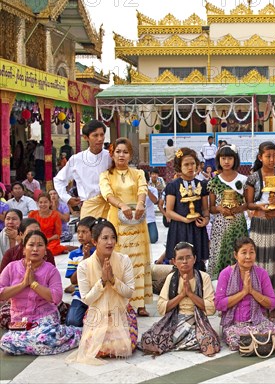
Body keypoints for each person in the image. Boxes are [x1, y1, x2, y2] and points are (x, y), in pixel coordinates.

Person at [66, 220, 137, 364]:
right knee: (95, 348)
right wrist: (103, 282)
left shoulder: (124, 260)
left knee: (123, 347)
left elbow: (129, 293)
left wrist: (113, 280)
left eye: (112, 237)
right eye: (105, 238)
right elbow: (87, 300)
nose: (110, 242)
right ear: (94, 241)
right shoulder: (84, 266)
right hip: (97, 314)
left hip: (121, 312)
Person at [0, 231, 81, 355]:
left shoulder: (51, 270)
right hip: (20, 321)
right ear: (23, 249)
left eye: (40, 245)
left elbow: (56, 297)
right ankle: (56, 340)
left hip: (45, 319)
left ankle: (73, 335)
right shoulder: (11, 268)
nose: (35, 249)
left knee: (44, 336)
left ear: (45, 250)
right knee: (5, 342)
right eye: (31, 245)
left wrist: (34, 284)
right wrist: (23, 284)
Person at [99, 138, 152, 316]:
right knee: (118, 261)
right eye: (118, 152)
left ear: (130, 155)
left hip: (137, 222)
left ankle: (140, 303)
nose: (122, 155)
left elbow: (142, 190)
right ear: (112, 154)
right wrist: (122, 205)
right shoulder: (106, 175)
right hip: (116, 222)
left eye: (125, 152)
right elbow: (107, 194)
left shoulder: (138, 173)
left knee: (138, 262)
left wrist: (139, 204)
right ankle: (121, 302)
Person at [139, 242, 220, 355]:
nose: (185, 261)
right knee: (150, 339)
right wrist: (181, 295)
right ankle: (182, 342)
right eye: (181, 258)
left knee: (209, 341)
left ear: (195, 258)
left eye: (188, 257)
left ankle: (176, 342)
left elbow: (211, 308)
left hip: (197, 320)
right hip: (174, 320)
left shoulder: (203, 277)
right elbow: (161, 307)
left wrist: (191, 294)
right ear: (174, 262)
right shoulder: (171, 278)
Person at [215, 237, 275, 350]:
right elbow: (219, 304)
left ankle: (255, 342)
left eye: (251, 252)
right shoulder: (226, 274)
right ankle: (256, 342)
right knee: (236, 340)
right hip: (234, 324)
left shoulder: (261, 273)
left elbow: (272, 303)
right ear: (236, 255)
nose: (248, 256)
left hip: (258, 322)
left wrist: (252, 291)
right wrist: (244, 292)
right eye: (244, 252)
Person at [244, 141, 275, 311]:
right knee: (262, 262)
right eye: (268, 156)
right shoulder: (253, 178)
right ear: (260, 157)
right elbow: (248, 204)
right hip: (260, 224)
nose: (272, 159)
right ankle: (260, 303)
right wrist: (260, 207)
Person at [54, 120, 112, 218]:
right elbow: (59, 180)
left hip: (111, 206)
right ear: (86, 137)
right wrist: (67, 198)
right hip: (89, 207)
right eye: (95, 135)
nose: (100, 139)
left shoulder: (111, 156)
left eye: (102, 135)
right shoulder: (76, 159)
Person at [164, 148, 210, 271]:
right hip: (179, 228)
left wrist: (206, 220)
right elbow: (169, 211)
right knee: (180, 263)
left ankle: (199, 288)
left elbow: (205, 209)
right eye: (186, 164)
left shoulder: (203, 185)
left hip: (197, 229)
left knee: (198, 263)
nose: (190, 167)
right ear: (179, 166)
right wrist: (184, 219)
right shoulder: (173, 186)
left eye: (193, 163)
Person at [207, 145, 248, 279]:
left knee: (238, 253)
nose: (226, 161)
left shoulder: (243, 180)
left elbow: (248, 204)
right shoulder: (214, 181)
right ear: (218, 160)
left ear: (235, 159)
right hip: (220, 225)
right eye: (223, 158)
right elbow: (211, 208)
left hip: (238, 224)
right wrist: (219, 208)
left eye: (230, 158)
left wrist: (238, 208)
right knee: (219, 254)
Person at [64, 216, 96, 327]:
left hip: (98, 295)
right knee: (72, 322)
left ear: (94, 233)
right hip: (80, 295)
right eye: (78, 232)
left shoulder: (100, 252)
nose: (80, 235)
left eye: (84, 232)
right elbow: (73, 281)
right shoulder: (74, 255)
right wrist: (84, 260)